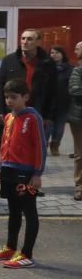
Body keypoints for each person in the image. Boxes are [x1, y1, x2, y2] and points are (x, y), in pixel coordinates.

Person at [0, 29, 55, 176]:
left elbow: (51, 91)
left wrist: (48, 115)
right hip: (8, 109)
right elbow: (0, 86)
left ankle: (28, 179)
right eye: (23, 38)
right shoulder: (10, 60)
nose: (25, 42)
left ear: (38, 42)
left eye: (30, 39)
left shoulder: (47, 63)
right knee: (7, 140)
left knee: (30, 144)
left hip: (34, 110)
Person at [0, 79, 45, 268]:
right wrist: (1, 168)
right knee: (13, 210)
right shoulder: (8, 118)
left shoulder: (33, 118)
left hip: (26, 173)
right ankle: (11, 247)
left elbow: (40, 147)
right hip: (9, 170)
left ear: (25, 97)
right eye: (6, 97)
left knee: (29, 211)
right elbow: (5, 143)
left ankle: (27, 254)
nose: (9, 101)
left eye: (14, 97)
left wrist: (37, 173)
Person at [48, 45, 71, 156]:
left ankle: (55, 146)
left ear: (62, 55)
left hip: (63, 103)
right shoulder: (46, 67)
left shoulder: (69, 68)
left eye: (57, 52)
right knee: (48, 127)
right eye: (52, 52)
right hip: (48, 103)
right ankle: (43, 146)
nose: (54, 55)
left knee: (59, 127)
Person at [67, 41, 82, 200]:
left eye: (78, 48)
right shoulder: (77, 71)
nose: (75, 50)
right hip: (79, 118)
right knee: (80, 154)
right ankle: (80, 186)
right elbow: (75, 90)